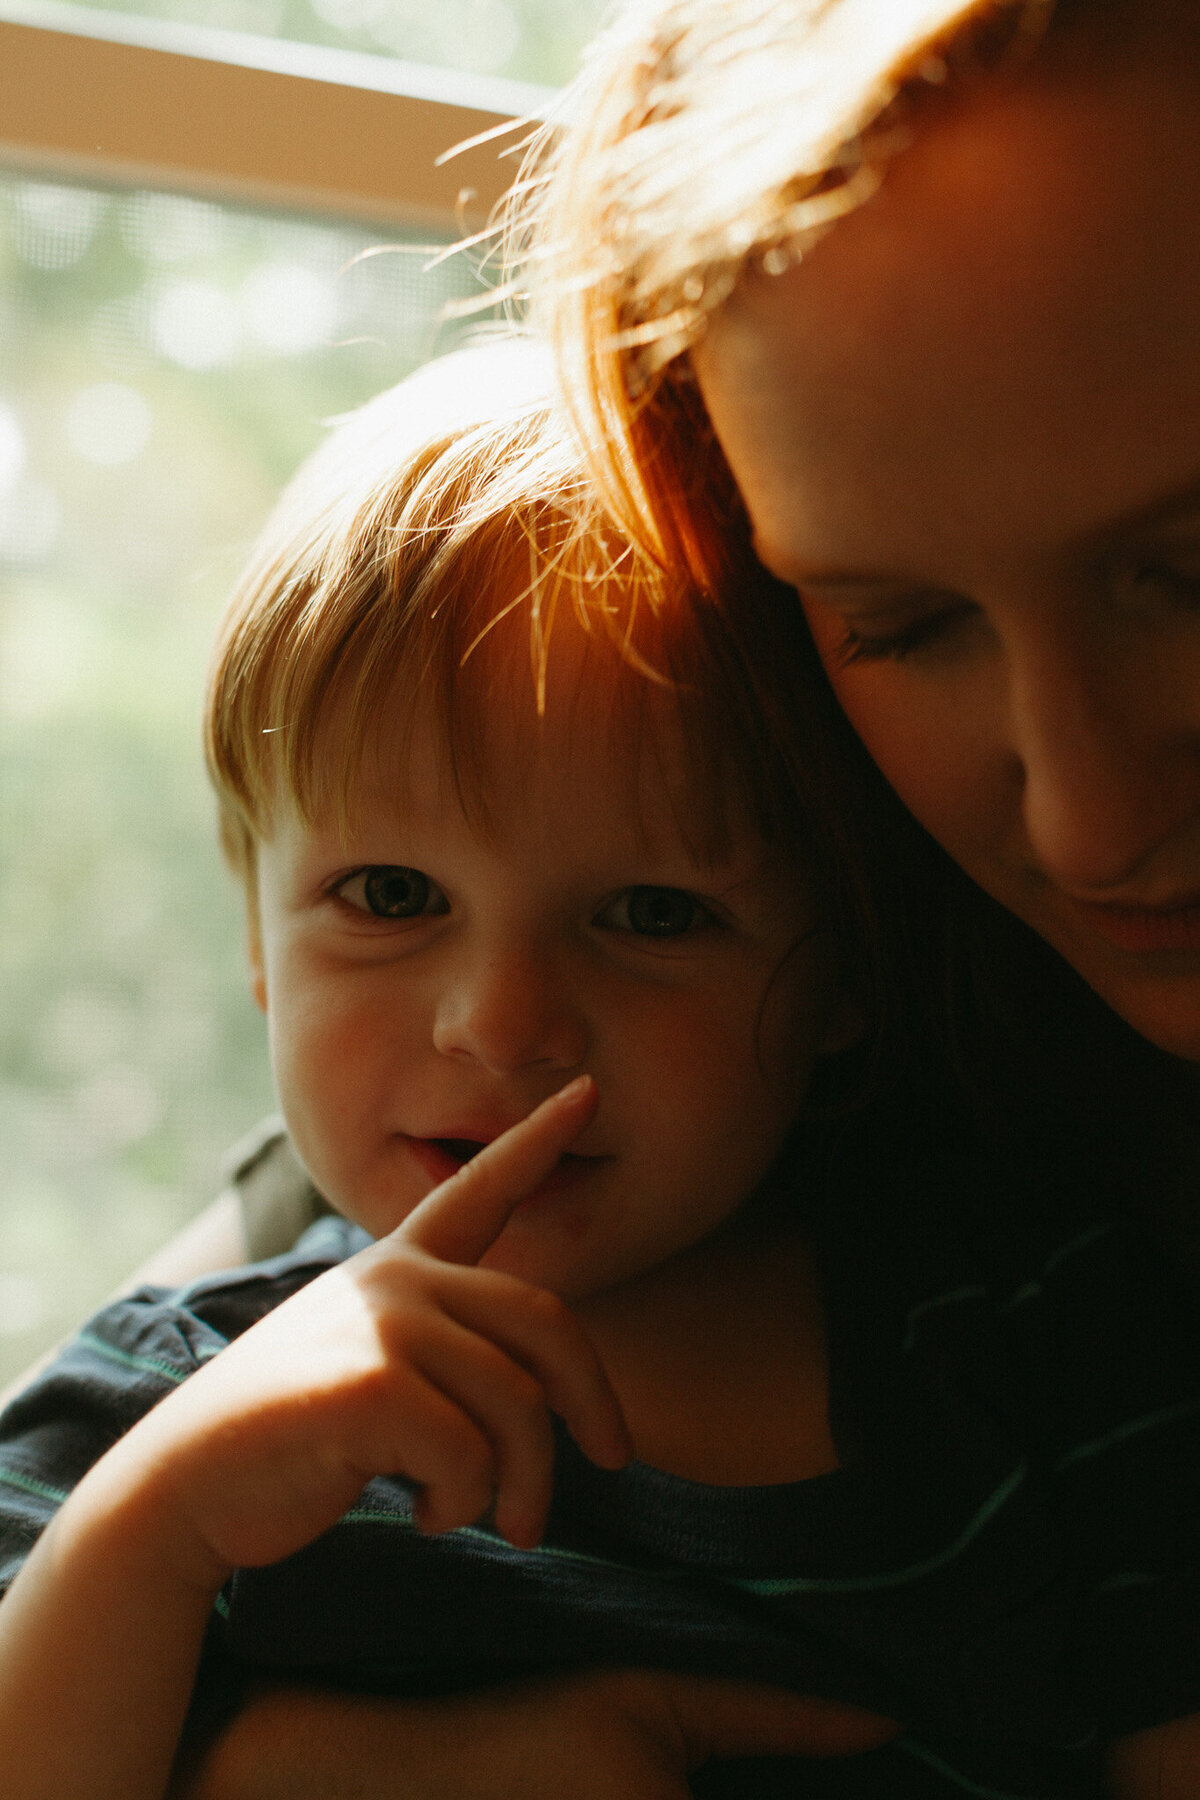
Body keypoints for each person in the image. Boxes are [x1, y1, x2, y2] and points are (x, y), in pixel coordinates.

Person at [2, 337, 1197, 1800]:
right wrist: (155, 1533)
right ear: (257, 939)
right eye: (389, 895)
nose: (499, 1025)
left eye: (652, 916)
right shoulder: (169, 1406)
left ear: (843, 979)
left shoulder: (1044, 1334)